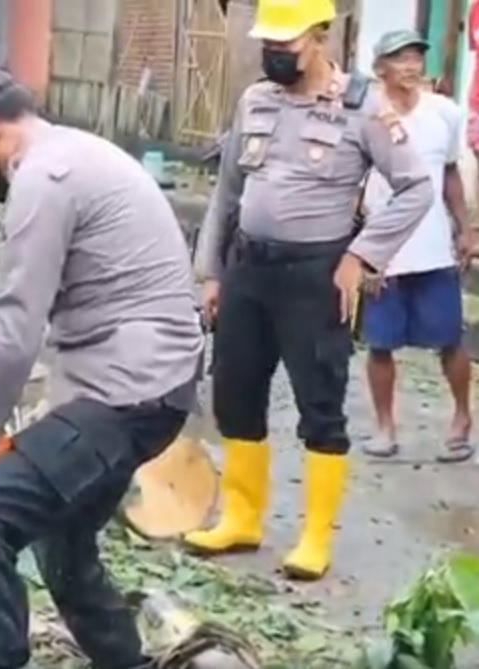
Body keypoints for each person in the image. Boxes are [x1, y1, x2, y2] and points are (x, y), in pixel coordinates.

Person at [0, 60, 204, 669]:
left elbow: (15, 330)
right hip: (150, 383)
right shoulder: (77, 151)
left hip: (130, 393)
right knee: (59, 535)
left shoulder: (44, 179)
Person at [186, 0, 434, 581]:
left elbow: (416, 188)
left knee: (319, 404)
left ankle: (315, 537)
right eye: (268, 44)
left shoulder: (363, 107)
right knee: (235, 394)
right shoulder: (255, 99)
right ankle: (242, 519)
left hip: (315, 276)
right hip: (248, 268)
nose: (273, 54)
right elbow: (226, 193)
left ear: (321, 37)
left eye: (286, 45)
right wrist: (212, 273)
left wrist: (360, 256)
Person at [360, 30, 475, 462]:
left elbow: (449, 174)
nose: (410, 66)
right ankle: (385, 427)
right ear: (380, 70)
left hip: (431, 247)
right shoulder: (366, 115)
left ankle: (462, 417)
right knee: (380, 343)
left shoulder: (443, 113)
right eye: (399, 58)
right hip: (382, 251)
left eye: (415, 57)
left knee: (449, 339)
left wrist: (464, 228)